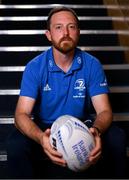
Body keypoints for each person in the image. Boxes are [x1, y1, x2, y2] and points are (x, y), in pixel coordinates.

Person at [6, 7, 126, 179]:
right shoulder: (35, 67)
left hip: (82, 125)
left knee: (117, 138)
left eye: (71, 27)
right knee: (15, 144)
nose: (66, 33)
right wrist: (41, 138)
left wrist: (95, 131)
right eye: (58, 27)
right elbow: (21, 114)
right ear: (48, 34)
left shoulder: (92, 64)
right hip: (46, 127)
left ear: (78, 32)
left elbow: (105, 111)